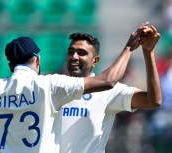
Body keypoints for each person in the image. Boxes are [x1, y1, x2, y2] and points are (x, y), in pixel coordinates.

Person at [0, 22, 153, 153]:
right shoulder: (49, 84)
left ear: (9, 64)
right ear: (37, 61)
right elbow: (107, 81)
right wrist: (129, 48)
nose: (74, 57)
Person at [55, 24, 162, 153]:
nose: (74, 57)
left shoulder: (107, 92)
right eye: (71, 52)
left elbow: (153, 100)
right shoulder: (54, 86)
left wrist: (148, 53)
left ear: (95, 61)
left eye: (81, 53)